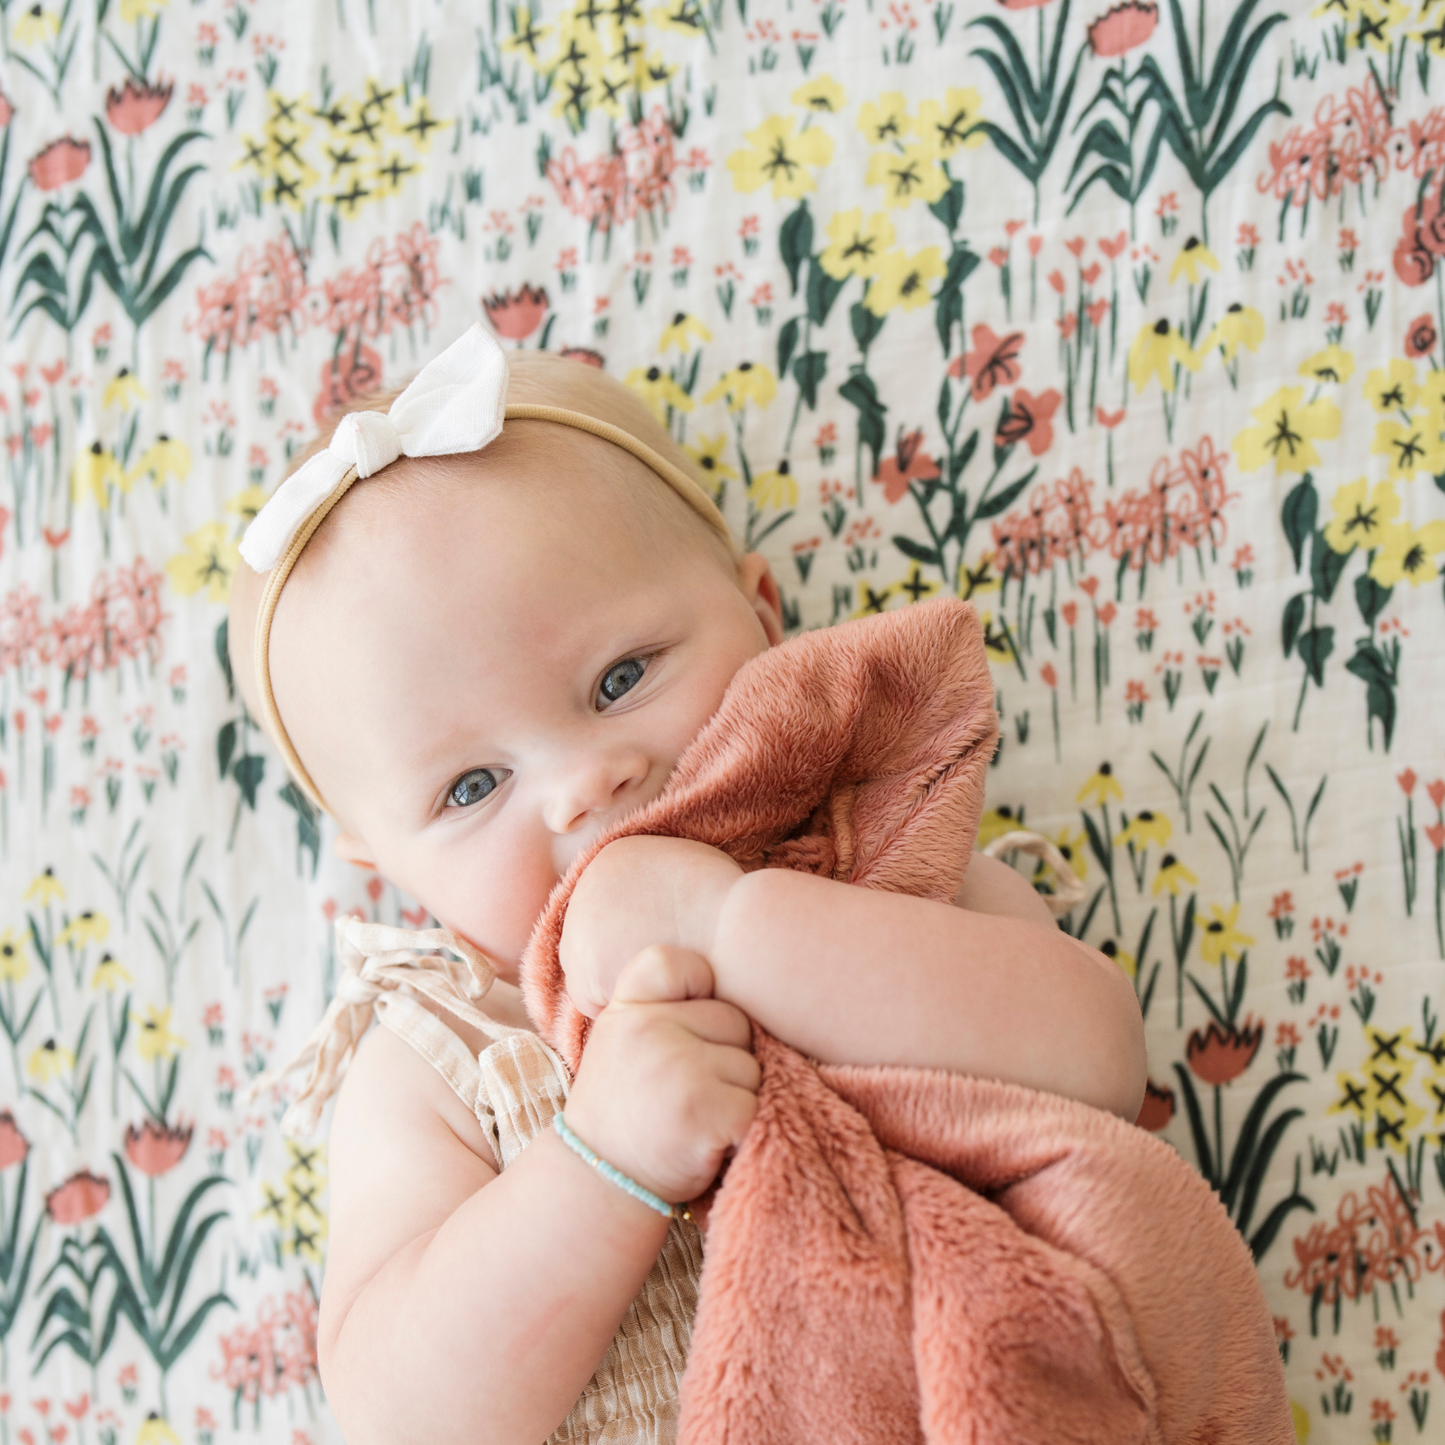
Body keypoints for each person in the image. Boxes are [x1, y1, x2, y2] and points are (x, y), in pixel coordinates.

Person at [228, 323, 1145, 1445]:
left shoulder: (887, 859)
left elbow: (1101, 1060)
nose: (582, 786)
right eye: (470, 786)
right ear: (381, 861)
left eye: (620, 678)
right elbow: (401, 1415)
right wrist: (601, 1162)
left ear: (762, 616)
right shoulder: (446, 1055)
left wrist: (732, 923)